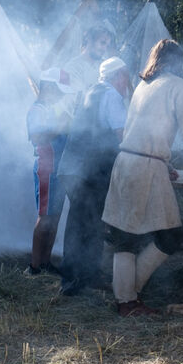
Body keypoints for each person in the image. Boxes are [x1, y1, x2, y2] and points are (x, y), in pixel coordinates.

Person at [102, 40, 183, 317]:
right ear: (178, 62)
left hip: (129, 163)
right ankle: (128, 299)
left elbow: (136, 131)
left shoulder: (143, 86)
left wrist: (164, 164)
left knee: (125, 237)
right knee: (167, 237)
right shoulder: (178, 87)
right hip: (144, 168)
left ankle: (127, 296)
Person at [56, 57, 131, 296]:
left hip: (73, 167)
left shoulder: (93, 91)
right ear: (118, 76)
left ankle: (86, 276)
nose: (127, 83)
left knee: (85, 223)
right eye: (125, 77)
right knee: (85, 225)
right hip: (89, 170)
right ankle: (73, 281)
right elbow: (123, 136)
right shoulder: (111, 96)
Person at [26, 68, 75, 275]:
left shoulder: (51, 109)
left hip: (59, 168)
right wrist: (62, 126)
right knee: (45, 217)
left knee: (54, 217)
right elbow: (37, 138)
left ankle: (45, 262)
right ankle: (34, 267)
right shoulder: (37, 110)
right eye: (59, 90)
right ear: (47, 86)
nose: (62, 94)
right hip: (47, 167)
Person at [63, 23, 115, 95]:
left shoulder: (104, 66)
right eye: (102, 43)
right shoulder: (72, 67)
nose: (104, 49)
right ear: (89, 39)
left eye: (107, 46)